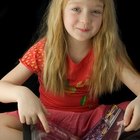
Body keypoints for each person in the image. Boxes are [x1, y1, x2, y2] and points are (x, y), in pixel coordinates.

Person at [0, 0, 140, 139]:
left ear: (105, 16)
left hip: (93, 123)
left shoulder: (107, 52)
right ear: (60, 11)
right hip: (47, 122)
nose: (85, 20)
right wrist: (22, 94)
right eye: (76, 9)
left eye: (95, 12)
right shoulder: (42, 50)